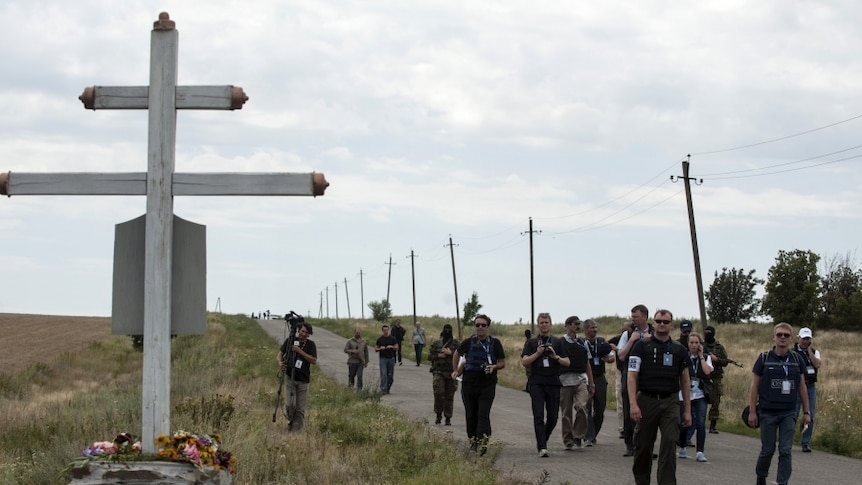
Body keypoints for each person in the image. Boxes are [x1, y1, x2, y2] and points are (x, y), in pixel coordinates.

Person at [627, 309, 691, 485]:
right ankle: (642, 481)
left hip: (670, 401)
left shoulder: (679, 350)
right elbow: (631, 376)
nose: (662, 324)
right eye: (658, 321)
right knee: (643, 446)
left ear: (671, 325)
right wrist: (633, 404)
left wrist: (687, 410)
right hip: (646, 400)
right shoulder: (641, 346)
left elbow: (685, 381)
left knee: (670, 442)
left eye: (665, 321)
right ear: (653, 323)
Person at [749, 322, 811, 485]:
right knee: (768, 450)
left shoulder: (797, 360)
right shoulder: (764, 358)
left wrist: (806, 412)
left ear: (791, 339)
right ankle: (761, 476)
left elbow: (802, 387)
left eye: (786, 335)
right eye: (779, 335)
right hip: (767, 411)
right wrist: (752, 411)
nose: (782, 338)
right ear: (773, 337)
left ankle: (782, 482)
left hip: (789, 412)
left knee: (785, 450)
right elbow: (754, 386)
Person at [451, 314, 506, 455]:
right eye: (477, 325)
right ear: (474, 327)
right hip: (469, 382)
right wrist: (456, 370)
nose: (480, 327)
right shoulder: (468, 342)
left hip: (487, 383)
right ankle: (473, 440)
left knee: (483, 413)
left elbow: (502, 362)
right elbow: (456, 354)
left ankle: (483, 442)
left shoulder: (495, 343)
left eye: (483, 325)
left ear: (488, 327)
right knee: (471, 414)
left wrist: (494, 367)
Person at [521, 312, 571, 457]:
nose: (544, 325)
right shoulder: (531, 343)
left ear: (551, 324)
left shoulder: (557, 342)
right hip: (537, 381)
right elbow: (524, 362)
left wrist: (555, 357)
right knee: (538, 415)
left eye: (546, 322)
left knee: (553, 417)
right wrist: (537, 354)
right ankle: (542, 447)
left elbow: (567, 362)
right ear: (538, 325)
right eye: (541, 322)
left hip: (553, 381)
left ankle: (544, 437)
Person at [617, 305, 654, 457]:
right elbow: (621, 355)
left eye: (636, 317)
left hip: (648, 375)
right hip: (630, 374)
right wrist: (631, 341)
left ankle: (646, 446)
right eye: (632, 317)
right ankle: (630, 445)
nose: (633, 320)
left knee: (648, 412)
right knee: (629, 409)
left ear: (644, 317)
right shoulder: (628, 334)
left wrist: (650, 341)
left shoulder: (654, 332)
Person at [559, 316, 594, 451]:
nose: (577, 326)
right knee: (566, 412)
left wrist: (592, 383)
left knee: (581, 407)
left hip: (580, 379)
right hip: (565, 380)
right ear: (567, 325)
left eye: (579, 324)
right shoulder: (561, 342)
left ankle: (578, 434)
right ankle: (568, 440)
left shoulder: (582, 342)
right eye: (575, 324)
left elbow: (587, 363)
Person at [276, 321, 318, 432]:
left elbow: (313, 360)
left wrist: (299, 351)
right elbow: (279, 354)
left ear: (309, 334)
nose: (303, 334)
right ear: (299, 331)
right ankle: (291, 422)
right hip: (291, 377)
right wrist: (280, 363)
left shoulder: (310, 345)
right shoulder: (290, 341)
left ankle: (295, 431)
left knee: (300, 409)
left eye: (306, 332)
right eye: (302, 331)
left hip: (303, 380)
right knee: (290, 405)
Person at [678, 332, 712, 463]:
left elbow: (707, 371)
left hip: (700, 394)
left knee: (701, 423)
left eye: (696, 343)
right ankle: (682, 446)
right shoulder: (683, 356)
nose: (694, 345)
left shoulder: (705, 357)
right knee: (685, 422)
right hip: (685, 394)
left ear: (700, 344)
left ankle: (700, 451)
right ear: (688, 344)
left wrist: (701, 357)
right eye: (691, 342)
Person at [583, 318, 614, 446]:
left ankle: (593, 433)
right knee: (587, 408)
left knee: (600, 408)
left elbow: (612, 357)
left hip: (600, 377)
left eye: (596, 327)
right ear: (585, 330)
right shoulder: (581, 342)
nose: (595, 330)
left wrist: (608, 359)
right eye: (592, 327)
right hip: (585, 378)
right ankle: (589, 436)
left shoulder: (602, 342)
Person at [793, 326, 821, 453]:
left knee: (810, 414)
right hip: (796, 386)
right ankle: (787, 440)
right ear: (799, 338)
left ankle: (806, 442)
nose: (805, 341)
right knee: (793, 413)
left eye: (808, 339)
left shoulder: (815, 352)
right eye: (803, 339)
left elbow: (817, 364)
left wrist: (809, 351)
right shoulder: (792, 352)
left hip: (809, 386)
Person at [429, 323, 460, 425]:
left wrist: (450, 354)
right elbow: (430, 356)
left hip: (451, 372)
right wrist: (439, 355)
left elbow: (462, 356)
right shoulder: (436, 343)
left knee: (449, 395)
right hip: (439, 371)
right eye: (445, 330)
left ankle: (448, 417)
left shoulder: (456, 344)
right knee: (438, 393)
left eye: (449, 330)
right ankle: (438, 414)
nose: (447, 332)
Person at [703, 325, 729, 434]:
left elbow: (725, 361)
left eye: (710, 332)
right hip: (703, 377)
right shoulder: (701, 345)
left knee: (715, 401)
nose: (707, 334)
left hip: (716, 377)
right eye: (706, 332)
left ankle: (713, 425)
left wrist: (716, 359)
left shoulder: (719, 347)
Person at [608, 320, 631, 439]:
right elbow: (605, 346)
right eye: (624, 329)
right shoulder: (617, 339)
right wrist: (613, 351)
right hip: (620, 371)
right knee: (621, 400)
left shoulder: (633, 338)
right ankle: (622, 427)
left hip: (632, 372)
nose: (625, 332)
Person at [375, 325, 399, 394]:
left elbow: (397, 347)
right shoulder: (380, 339)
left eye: (386, 330)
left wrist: (391, 346)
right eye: (384, 330)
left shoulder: (392, 339)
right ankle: (383, 389)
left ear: (388, 330)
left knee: (390, 376)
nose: (385, 332)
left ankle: (388, 388)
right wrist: (380, 348)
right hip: (383, 359)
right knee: (383, 374)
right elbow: (376, 348)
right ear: (382, 331)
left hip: (391, 358)